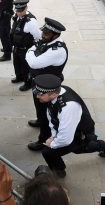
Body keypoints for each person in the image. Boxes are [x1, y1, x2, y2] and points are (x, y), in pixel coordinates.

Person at [33, 74, 105, 177]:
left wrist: (51, 144)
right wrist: (53, 135)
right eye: (36, 92)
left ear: (53, 94)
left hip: (80, 133)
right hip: (71, 130)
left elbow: (65, 139)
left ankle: (58, 171)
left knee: (48, 151)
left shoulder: (68, 107)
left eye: (40, 94)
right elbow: (51, 116)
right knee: (80, 149)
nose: (37, 96)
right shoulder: (57, 91)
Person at [26, 18, 68, 151]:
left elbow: (33, 62)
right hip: (39, 82)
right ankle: (40, 120)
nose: (43, 35)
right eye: (43, 31)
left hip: (48, 88)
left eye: (47, 33)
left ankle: (43, 139)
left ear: (55, 35)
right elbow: (34, 49)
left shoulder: (57, 50)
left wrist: (29, 52)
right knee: (39, 107)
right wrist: (32, 52)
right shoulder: (47, 41)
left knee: (46, 113)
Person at [10, 0, 41, 91]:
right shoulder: (17, 17)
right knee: (17, 64)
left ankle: (28, 83)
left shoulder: (30, 21)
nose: (19, 12)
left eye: (21, 10)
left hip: (25, 48)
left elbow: (37, 35)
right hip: (16, 47)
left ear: (26, 8)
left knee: (25, 67)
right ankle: (19, 77)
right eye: (17, 10)